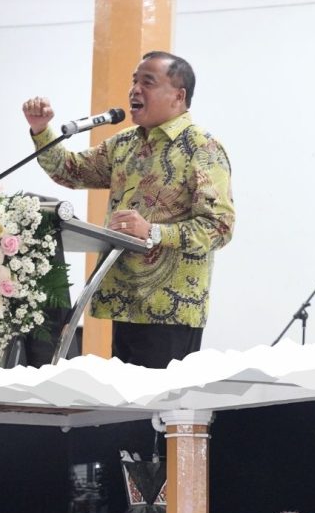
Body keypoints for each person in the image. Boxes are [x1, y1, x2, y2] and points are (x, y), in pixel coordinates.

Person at [22, 51, 235, 368]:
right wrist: (42, 130)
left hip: (170, 307)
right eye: (134, 81)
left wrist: (152, 232)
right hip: (123, 299)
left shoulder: (202, 147)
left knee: (157, 400)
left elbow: (220, 227)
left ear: (179, 96)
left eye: (147, 82)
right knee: (123, 399)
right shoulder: (124, 144)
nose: (135, 89)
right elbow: (70, 171)